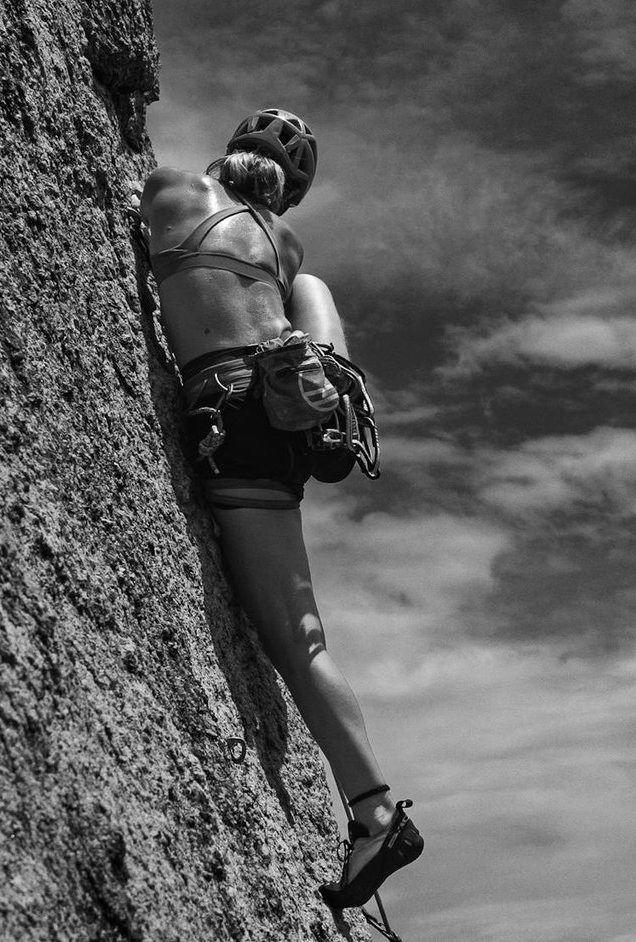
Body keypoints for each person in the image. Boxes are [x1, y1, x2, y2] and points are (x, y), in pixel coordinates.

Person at [138, 108, 421, 914]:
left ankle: (375, 813)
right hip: (278, 419)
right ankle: (331, 391)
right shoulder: (286, 248)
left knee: (288, 640)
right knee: (307, 637)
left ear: (228, 155)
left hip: (226, 405)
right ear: (289, 195)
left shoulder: (169, 190)